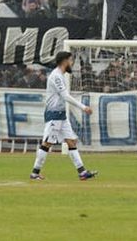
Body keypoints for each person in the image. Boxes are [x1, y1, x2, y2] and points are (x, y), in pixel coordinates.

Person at [30, 51, 98, 181]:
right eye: (71, 60)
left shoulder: (60, 75)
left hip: (61, 115)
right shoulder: (56, 76)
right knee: (47, 143)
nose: (72, 63)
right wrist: (83, 107)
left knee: (71, 142)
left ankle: (82, 172)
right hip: (54, 114)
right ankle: (34, 173)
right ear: (65, 61)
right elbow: (65, 96)